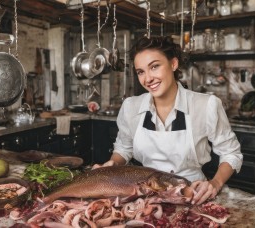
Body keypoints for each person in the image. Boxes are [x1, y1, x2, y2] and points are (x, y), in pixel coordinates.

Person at [93, 36, 243, 205]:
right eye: (141, 72)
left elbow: (231, 153)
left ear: (173, 64)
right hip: (145, 196)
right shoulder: (131, 107)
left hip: (192, 195)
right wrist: (114, 162)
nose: (148, 78)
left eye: (154, 67)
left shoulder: (205, 105)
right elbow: (124, 148)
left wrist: (215, 183)